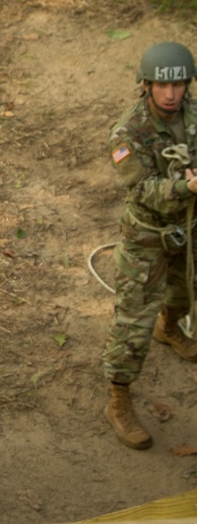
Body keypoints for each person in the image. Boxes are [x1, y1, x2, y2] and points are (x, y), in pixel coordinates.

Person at [103, 41, 197, 450]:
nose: (171, 94)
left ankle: (170, 326)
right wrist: (187, 185)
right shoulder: (128, 132)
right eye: (162, 85)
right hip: (146, 238)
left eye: (179, 85)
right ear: (146, 85)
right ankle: (118, 401)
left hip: (189, 229)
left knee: (185, 294)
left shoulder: (193, 116)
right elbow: (142, 189)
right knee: (131, 328)